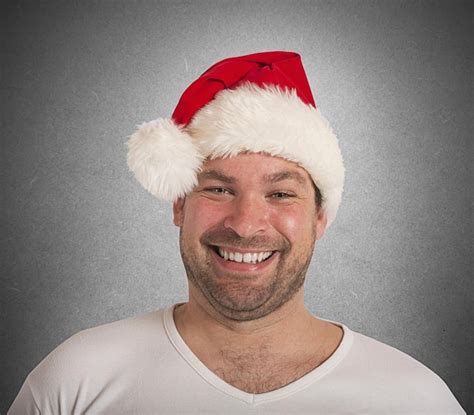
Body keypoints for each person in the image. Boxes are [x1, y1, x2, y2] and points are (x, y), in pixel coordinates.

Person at [9, 51, 464, 414]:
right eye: (220, 188)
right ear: (179, 205)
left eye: (281, 194)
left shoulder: (414, 398)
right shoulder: (74, 380)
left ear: (321, 217)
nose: (245, 225)